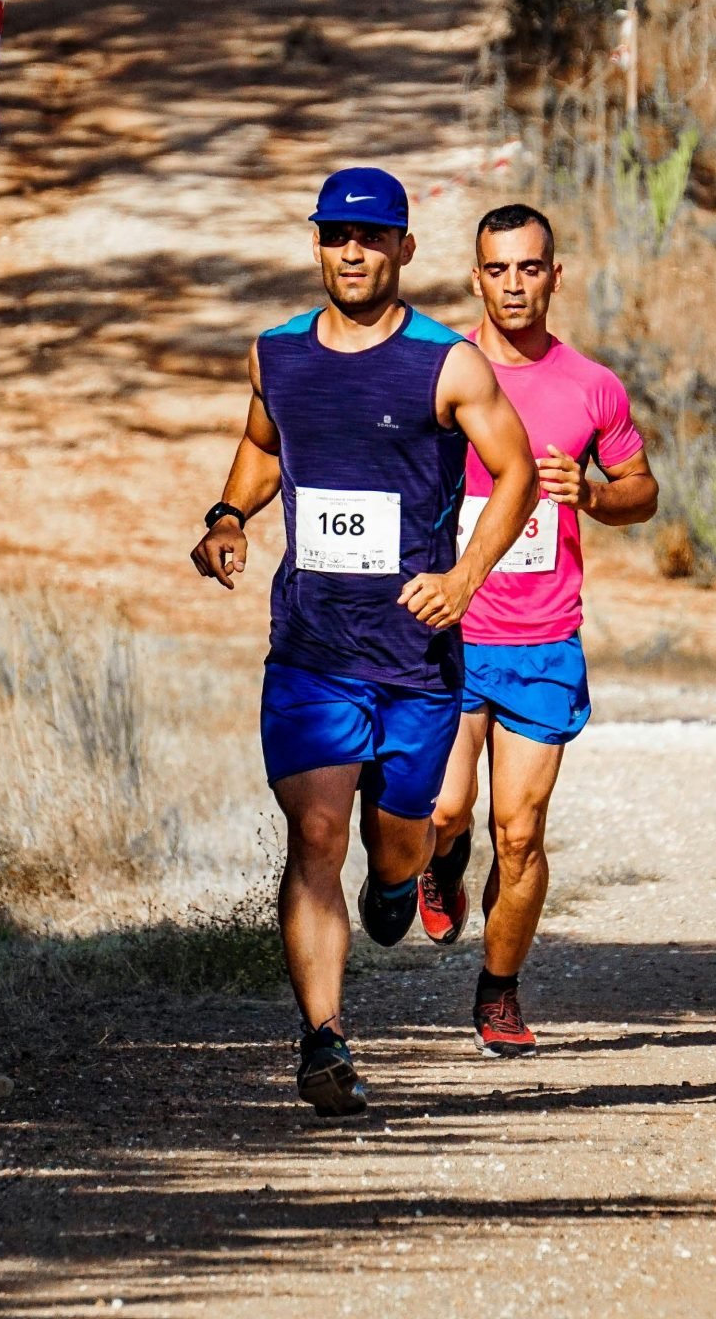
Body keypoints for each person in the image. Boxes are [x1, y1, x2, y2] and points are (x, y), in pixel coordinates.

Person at [190, 166, 538, 1117]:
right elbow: (266, 445)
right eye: (337, 236)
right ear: (317, 245)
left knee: (392, 848)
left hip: (416, 665)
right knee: (313, 834)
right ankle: (323, 1041)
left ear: (404, 250)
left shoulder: (447, 364)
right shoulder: (277, 356)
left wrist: (464, 579)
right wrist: (229, 515)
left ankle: (402, 880)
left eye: (372, 237)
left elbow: (517, 476)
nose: (353, 252)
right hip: (310, 651)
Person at [416, 204, 658, 1059]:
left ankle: (500, 991)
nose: (514, 284)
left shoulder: (592, 386)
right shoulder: (440, 373)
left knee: (519, 835)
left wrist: (592, 495)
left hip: (542, 640)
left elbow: (643, 489)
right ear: (474, 277)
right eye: (497, 269)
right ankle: (442, 859)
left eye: (529, 268)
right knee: (447, 807)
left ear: (555, 275)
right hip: (450, 633)